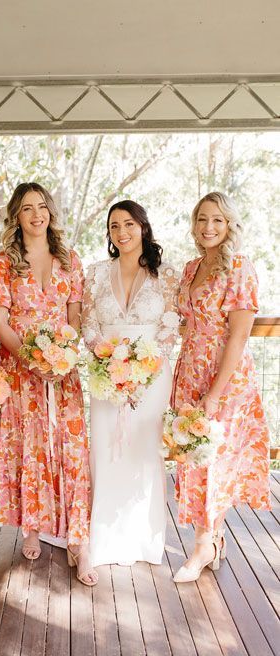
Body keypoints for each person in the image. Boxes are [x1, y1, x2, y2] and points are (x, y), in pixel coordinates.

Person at [0, 182, 97, 586]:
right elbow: (0, 321)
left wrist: (61, 357)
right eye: (27, 208)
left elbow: (74, 318)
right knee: (29, 447)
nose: (37, 214)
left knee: (69, 450)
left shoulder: (70, 259)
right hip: (19, 371)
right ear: (16, 216)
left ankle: (78, 541)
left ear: (50, 211)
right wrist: (32, 360)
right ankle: (30, 525)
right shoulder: (4, 262)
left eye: (42, 206)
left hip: (63, 371)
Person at [171, 191, 271, 583]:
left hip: (224, 378)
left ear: (229, 225)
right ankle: (214, 537)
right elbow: (185, 322)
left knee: (212, 457)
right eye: (202, 219)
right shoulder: (191, 267)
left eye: (217, 220)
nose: (208, 227)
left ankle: (202, 545)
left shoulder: (241, 269)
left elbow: (238, 337)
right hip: (189, 369)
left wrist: (214, 392)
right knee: (193, 456)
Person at [82, 200, 180, 567]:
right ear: (108, 234)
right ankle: (105, 539)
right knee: (106, 449)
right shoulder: (94, 274)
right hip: (105, 373)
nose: (122, 232)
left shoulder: (167, 275)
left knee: (143, 451)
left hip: (151, 375)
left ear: (143, 227)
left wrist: (145, 368)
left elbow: (171, 325)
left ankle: (143, 539)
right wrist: (105, 360)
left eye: (128, 224)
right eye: (114, 226)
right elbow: (87, 323)